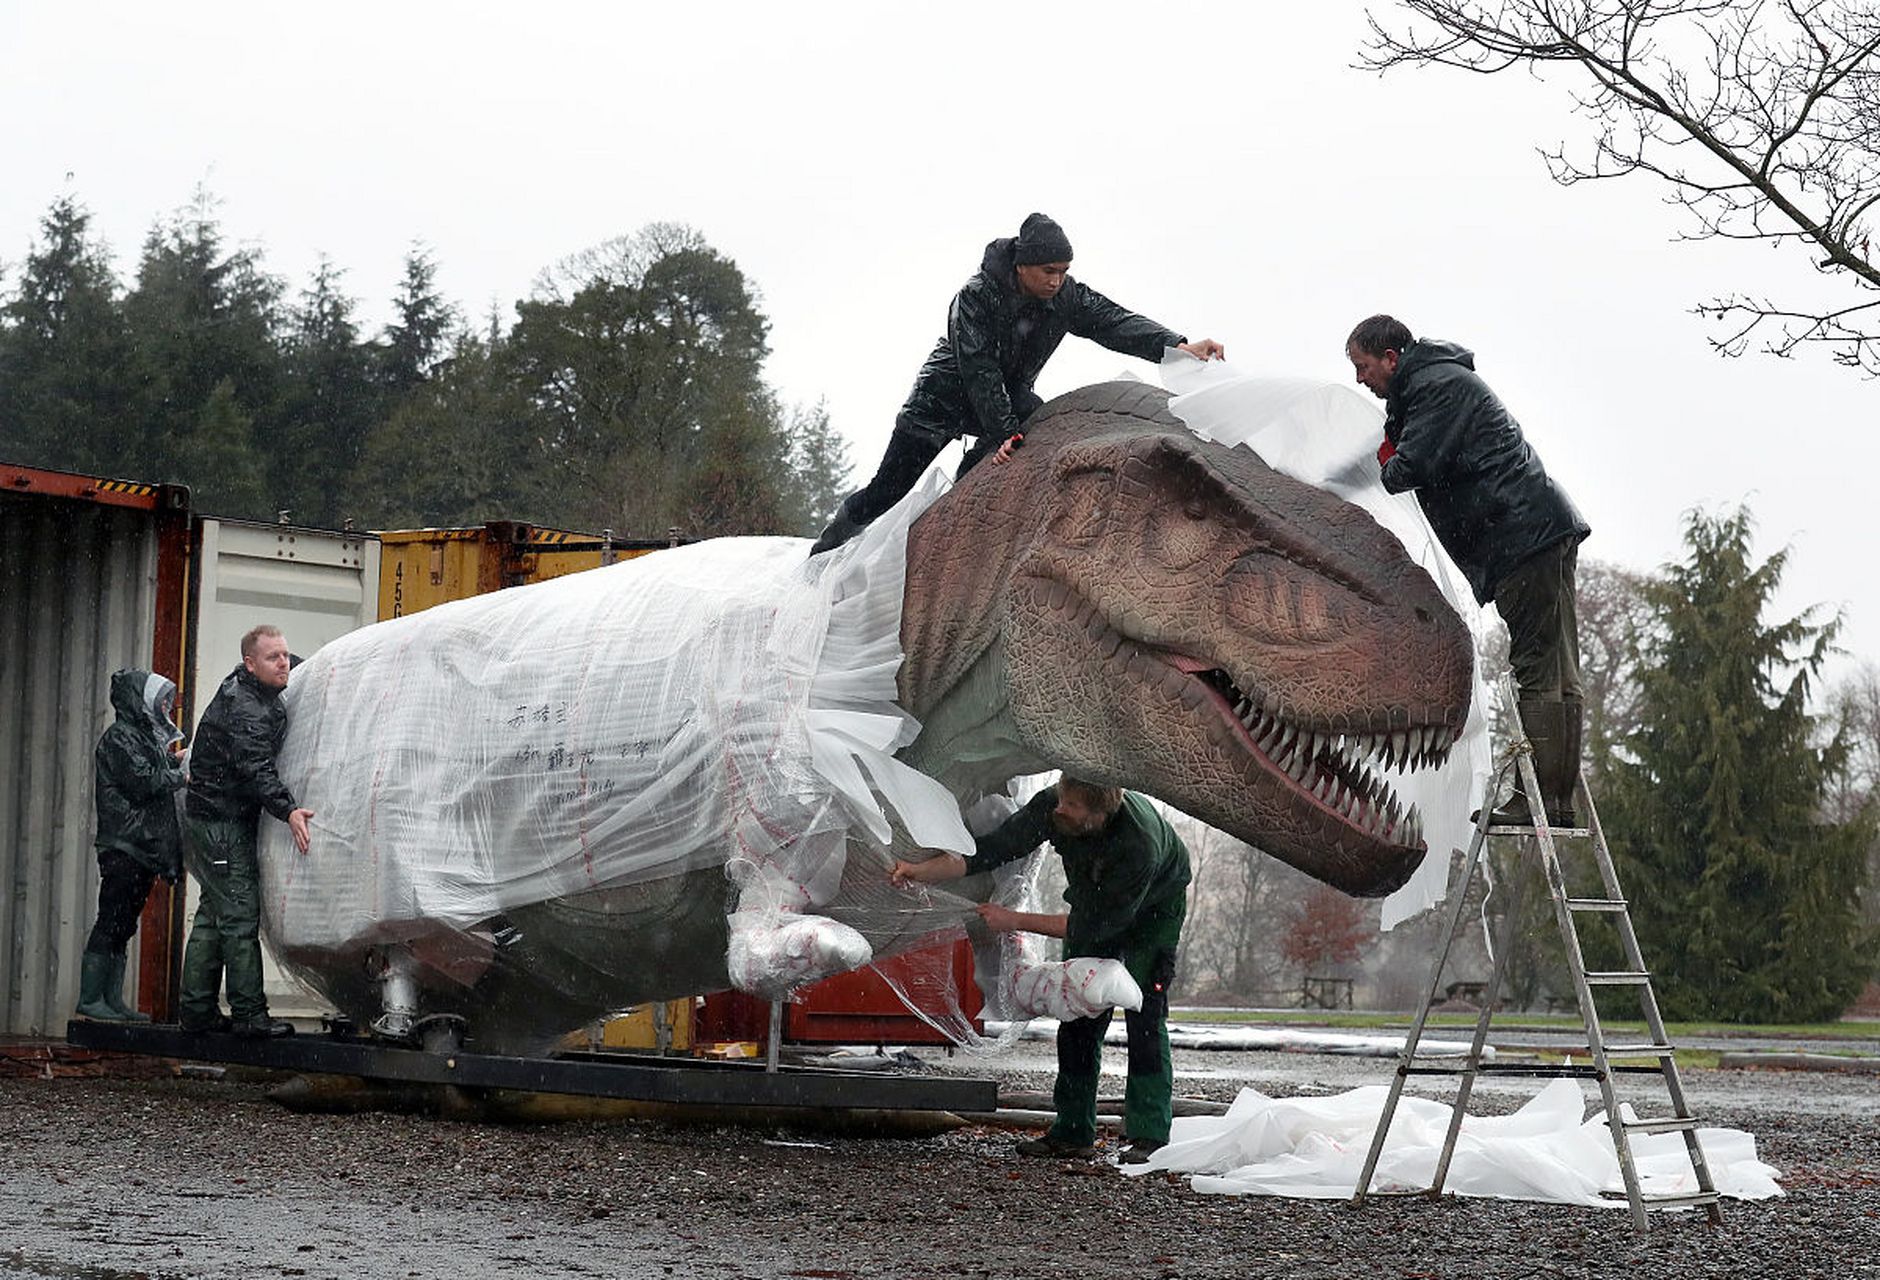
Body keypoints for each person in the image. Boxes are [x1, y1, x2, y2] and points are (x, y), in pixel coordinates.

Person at [810, 213, 1225, 554]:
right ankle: (823, 553)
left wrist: (1177, 345)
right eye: (1048, 271)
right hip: (939, 403)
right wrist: (1004, 429)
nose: (1056, 281)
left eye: (1063, 272)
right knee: (886, 490)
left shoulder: (1065, 298)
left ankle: (955, 522)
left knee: (1037, 419)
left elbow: (1113, 322)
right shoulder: (976, 296)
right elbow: (978, 368)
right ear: (1022, 266)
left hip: (1006, 400)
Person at [1345, 314, 1591, 825]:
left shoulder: (1436, 388)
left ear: (1391, 358)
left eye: (1363, 367)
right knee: (1556, 666)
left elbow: (1409, 468)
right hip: (1536, 531)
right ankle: (1557, 801)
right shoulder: (1437, 382)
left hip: (1521, 537)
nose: (1360, 380)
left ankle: (1544, 802)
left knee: (1540, 667)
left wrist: (1378, 456)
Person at [891, 777, 1190, 1163]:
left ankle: (1149, 1136)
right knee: (1077, 1009)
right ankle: (1072, 1131)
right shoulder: (1055, 806)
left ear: (1100, 815)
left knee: (1145, 1014)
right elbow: (992, 850)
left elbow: (1089, 927)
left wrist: (1012, 919)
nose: (1061, 809)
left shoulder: (1139, 846)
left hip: (1154, 910)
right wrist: (921, 870)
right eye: (1062, 799)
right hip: (1093, 900)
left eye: (1074, 806)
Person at [176, 625, 315, 1037]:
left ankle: (196, 1011)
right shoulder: (246, 709)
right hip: (220, 823)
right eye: (274, 658)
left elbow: (292, 669)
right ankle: (249, 1016)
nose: (284, 664)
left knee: (212, 915)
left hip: (215, 817)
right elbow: (257, 768)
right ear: (249, 663)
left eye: (286, 655)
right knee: (237, 917)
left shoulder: (254, 688)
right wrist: (288, 810)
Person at [75, 670, 187, 1022]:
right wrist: (179, 775)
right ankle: (91, 999)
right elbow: (142, 781)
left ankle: (112, 1001)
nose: (167, 705)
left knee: (124, 924)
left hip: (139, 845)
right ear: (140, 700)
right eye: (161, 698)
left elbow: (151, 767)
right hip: (123, 844)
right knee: (111, 920)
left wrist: (174, 760)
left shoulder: (139, 736)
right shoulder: (120, 737)